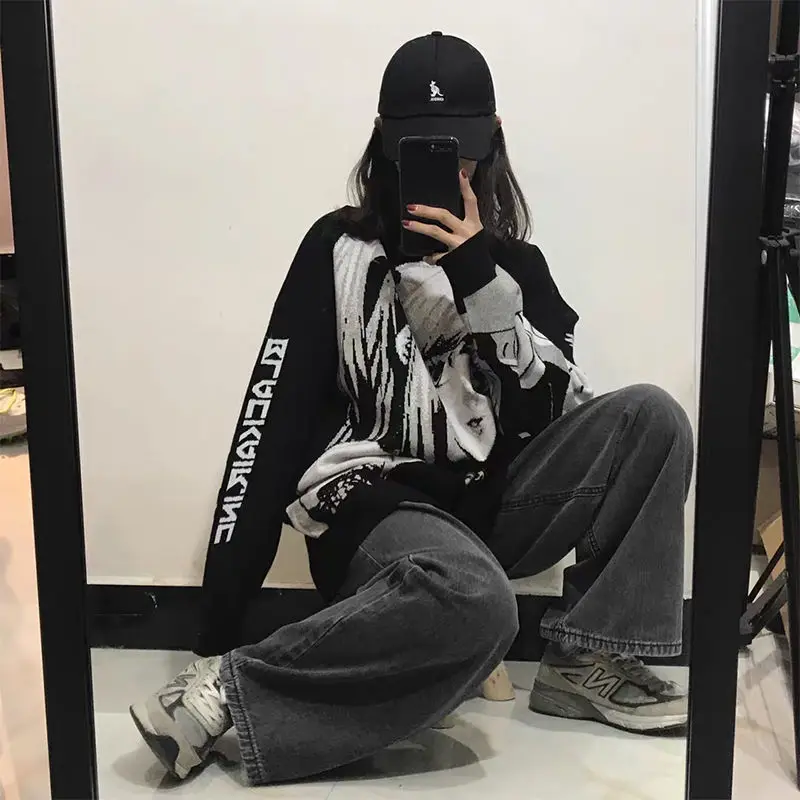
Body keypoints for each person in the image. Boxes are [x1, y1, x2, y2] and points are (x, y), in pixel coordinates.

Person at [130, 31, 694, 785]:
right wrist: (218, 624)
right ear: (383, 143)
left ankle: (588, 657)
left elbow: (548, 411)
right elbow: (270, 421)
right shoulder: (338, 249)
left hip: (488, 507)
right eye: (419, 148)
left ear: (491, 143)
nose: (444, 169)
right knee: (479, 600)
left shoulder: (514, 267)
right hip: (375, 509)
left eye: (459, 150)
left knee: (653, 417)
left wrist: (480, 280)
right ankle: (234, 689)